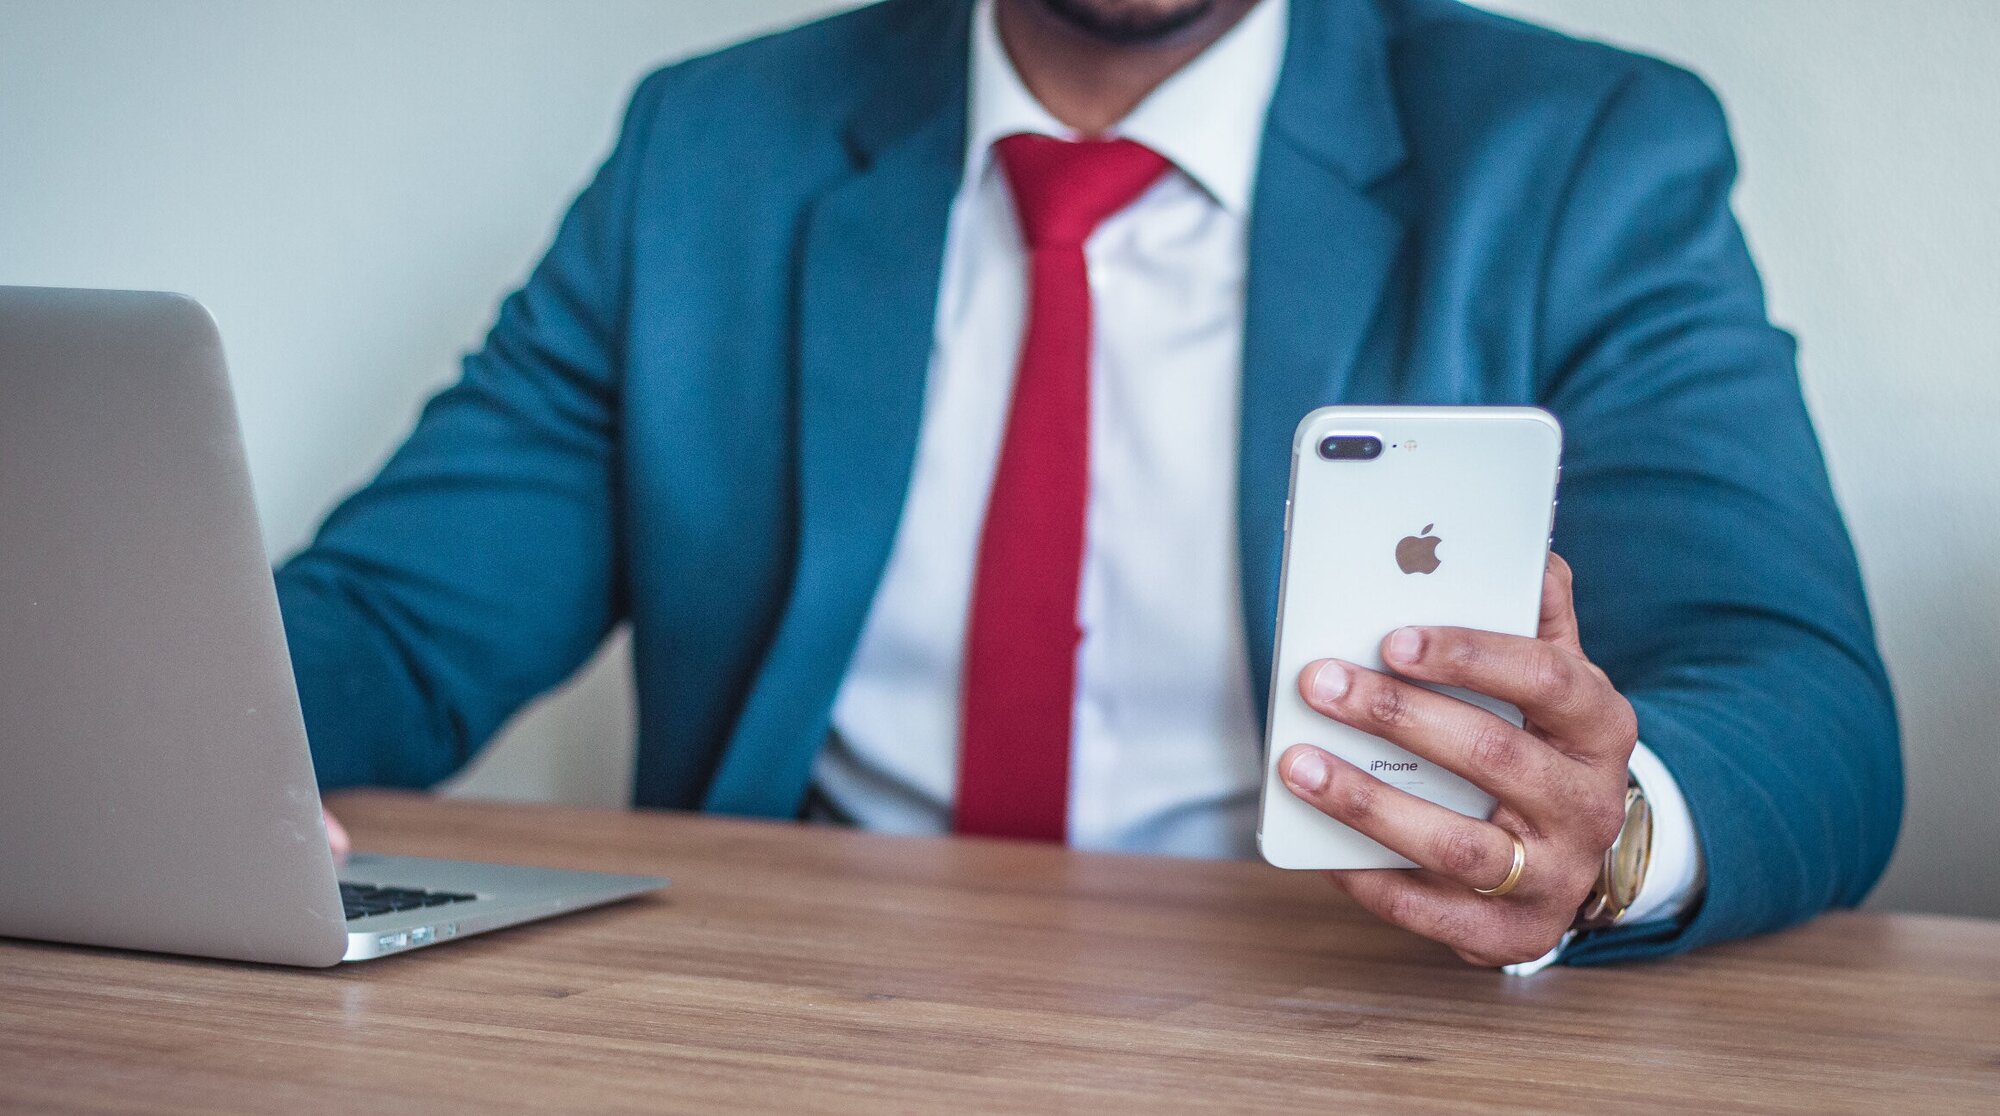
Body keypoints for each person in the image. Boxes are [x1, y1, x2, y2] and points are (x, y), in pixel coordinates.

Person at [281, 0, 1901, 969]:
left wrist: (1605, 835)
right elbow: (397, 623)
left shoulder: (1583, 152)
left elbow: (1801, 699)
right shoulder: (711, 147)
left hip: (1340, 1015)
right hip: (783, 1018)